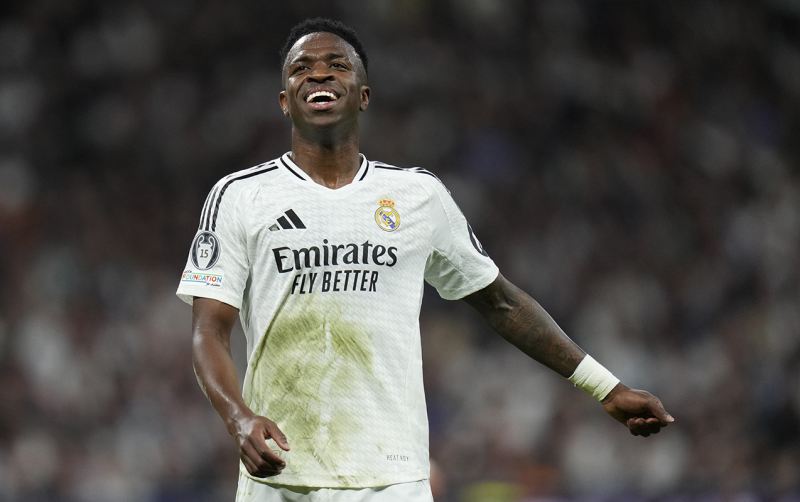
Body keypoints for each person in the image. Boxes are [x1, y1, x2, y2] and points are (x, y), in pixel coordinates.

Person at [177, 17, 674, 502]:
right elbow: (209, 332)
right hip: (280, 475)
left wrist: (606, 387)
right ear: (285, 101)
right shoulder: (240, 196)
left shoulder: (417, 196)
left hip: (393, 479)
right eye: (301, 68)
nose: (319, 74)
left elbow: (501, 302)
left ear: (364, 96)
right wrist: (238, 418)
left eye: (337, 65)